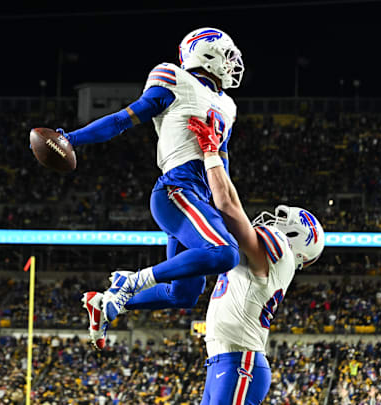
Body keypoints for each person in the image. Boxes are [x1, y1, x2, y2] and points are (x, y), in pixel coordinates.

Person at [75, 28, 245, 349]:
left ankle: (107, 304)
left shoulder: (229, 106)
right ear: (205, 54)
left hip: (201, 199)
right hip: (176, 190)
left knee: (182, 294)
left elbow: (222, 166)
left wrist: (229, 213)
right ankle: (132, 281)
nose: (233, 63)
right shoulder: (173, 78)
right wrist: (70, 139)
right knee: (224, 253)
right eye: (227, 54)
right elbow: (121, 121)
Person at [193, 115, 325, 404]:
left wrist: (211, 151)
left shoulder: (279, 253)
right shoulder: (269, 257)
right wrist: (221, 145)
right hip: (223, 362)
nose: (271, 223)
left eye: (281, 223)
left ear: (294, 236)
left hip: (240, 364)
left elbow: (228, 205)